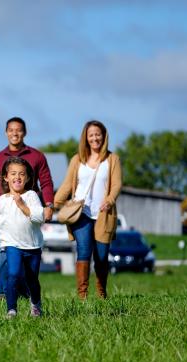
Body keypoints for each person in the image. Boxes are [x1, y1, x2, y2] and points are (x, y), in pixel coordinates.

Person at [0, 117, 55, 300]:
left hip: (28, 212)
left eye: (19, 130)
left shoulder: (37, 156)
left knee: (26, 253)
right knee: (3, 251)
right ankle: (1, 292)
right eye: (11, 130)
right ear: (6, 132)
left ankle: (23, 290)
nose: (15, 133)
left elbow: (46, 183)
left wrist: (49, 205)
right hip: (5, 210)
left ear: (25, 132)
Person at [54, 120, 122, 299]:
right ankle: (82, 295)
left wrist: (110, 199)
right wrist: (53, 203)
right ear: (86, 137)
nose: (95, 138)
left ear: (104, 136)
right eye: (91, 135)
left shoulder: (112, 159)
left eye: (98, 134)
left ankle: (101, 293)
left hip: (103, 214)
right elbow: (68, 184)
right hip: (81, 213)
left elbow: (116, 184)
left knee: (101, 255)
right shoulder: (77, 159)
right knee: (84, 249)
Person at [0, 157, 44, 318]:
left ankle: (36, 306)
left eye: (21, 174)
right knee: (13, 274)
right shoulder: (2, 200)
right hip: (11, 244)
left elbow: (39, 218)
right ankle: (11, 310)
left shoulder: (31, 196)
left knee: (32, 279)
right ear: (6, 177)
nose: (17, 177)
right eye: (13, 174)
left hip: (32, 246)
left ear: (27, 178)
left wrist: (22, 205)